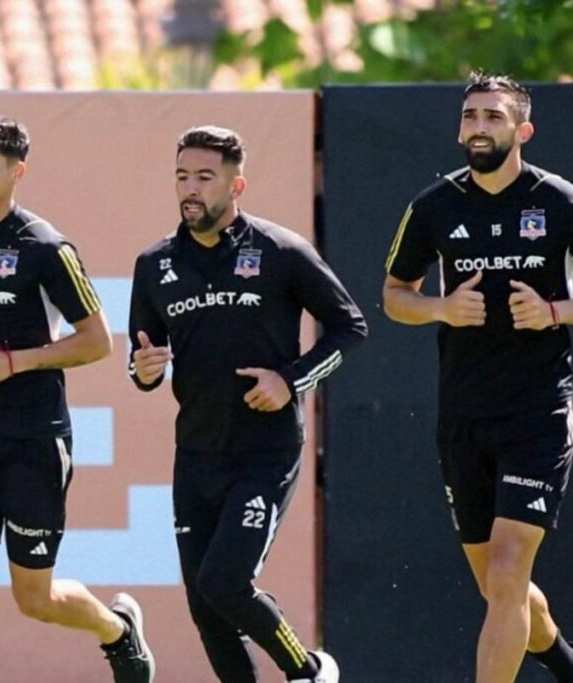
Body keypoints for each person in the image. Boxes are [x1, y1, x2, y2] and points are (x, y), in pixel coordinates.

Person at [0, 113, 154, 683]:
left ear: (18, 173)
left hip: (33, 440)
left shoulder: (45, 247)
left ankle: (117, 630)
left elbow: (97, 342)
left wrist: (16, 362)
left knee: (33, 598)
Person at [128, 125, 366, 683]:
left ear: (237, 185)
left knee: (225, 583)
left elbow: (349, 327)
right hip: (196, 454)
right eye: (182, 176)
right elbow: (142, 359)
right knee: (205, 607)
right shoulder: (154, 263)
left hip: (265, 450)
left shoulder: (280, 251)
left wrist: (291, 380)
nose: (191, 189)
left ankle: (306, 670)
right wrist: (142, 372)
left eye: (205, 178)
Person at [384, 72, 573, 683]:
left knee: (509, 570)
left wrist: (554, 313)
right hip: (463, 414)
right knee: (500, 587)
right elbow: (393, 295)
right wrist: (440, 308)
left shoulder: (560, 201)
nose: (479, 127)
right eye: (470, 117)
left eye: (493, 117)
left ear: (523, 130)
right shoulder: (434, 206)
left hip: (539, 410)